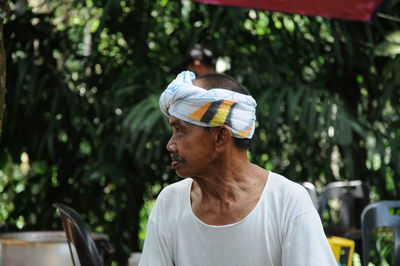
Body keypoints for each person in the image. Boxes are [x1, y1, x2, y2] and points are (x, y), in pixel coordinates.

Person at [139, 71, 337, 266]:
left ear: (220, 137)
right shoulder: (169, 204)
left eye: (181, 130)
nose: (170, 145)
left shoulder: (287, 202)